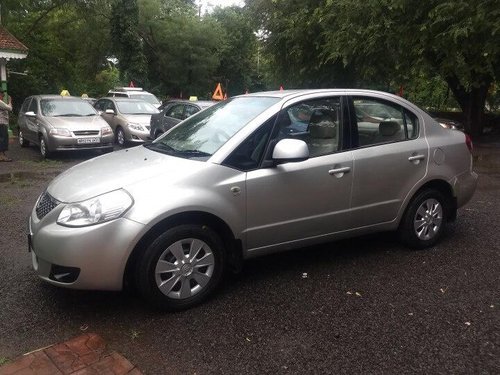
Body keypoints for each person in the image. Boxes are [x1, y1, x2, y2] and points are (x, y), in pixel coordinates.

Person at [0, 89, 13, 162]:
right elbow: (9, 108)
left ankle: (1, 155)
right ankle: (2, 156)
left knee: (2, 139)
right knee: (3, 139)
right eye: (2, 94)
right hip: (1, 123)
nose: (3, 96)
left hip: (1, 123)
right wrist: (10, 101)